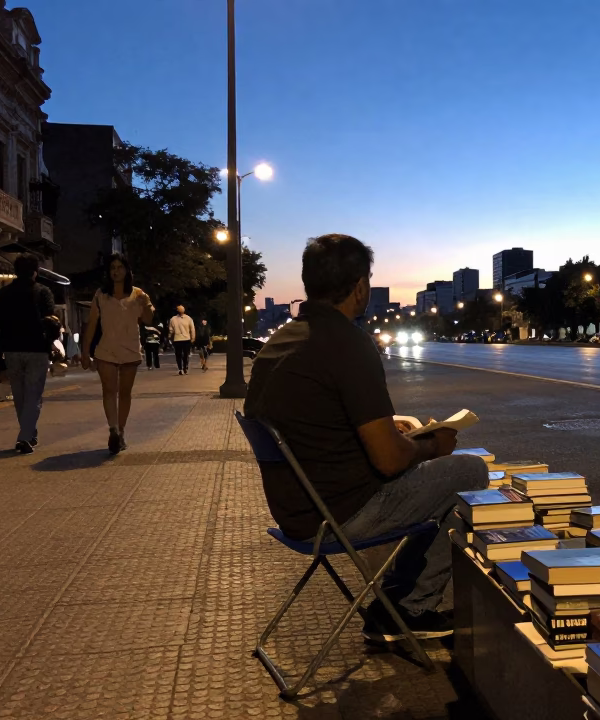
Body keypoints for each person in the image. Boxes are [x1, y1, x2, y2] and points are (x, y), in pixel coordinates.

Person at [245, 234, 487, 642]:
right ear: (360, 288)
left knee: (426, 470)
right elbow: (390, 461)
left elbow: (319, 418)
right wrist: (433, 444)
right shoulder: (348, 343)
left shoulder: (280, 342)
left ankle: (396, 601)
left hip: (295, 509)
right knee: (468, 470)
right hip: (340, 513)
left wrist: (386, 429)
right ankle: (407, 610)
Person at [80, 253, 155, 454]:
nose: (116, 271)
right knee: (109, 390)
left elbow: (148, 320)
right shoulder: (101, 295)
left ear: (127, 270)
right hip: (106, 350)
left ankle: (120, 431)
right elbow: (92, 324)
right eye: (112, 267)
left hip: (130, 350)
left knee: (125, 393)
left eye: (119, 267)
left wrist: (146, 302)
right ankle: (113, 429)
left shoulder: (138, 294)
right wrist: (85, 352)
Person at [0, 255, 57, 454]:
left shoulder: (4, 293)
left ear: (16, 271)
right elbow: (51, 320)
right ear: (36, 271)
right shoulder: (43, 292)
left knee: (20, 396)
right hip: (37, 350)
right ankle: (25, 436)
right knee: (33, 396)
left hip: (12, 351)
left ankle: (28, 434)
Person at [168, 305, 195, 375]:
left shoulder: (188, 318)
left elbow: (192, 329)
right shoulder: (173, 319)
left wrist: (193, 337)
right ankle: (182, 368)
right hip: (180, 339)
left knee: (182, 354)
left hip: (183, 339)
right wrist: (193, 338)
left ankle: (183, 368)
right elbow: (171, 330)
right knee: (180, 355)